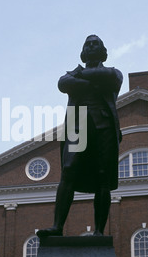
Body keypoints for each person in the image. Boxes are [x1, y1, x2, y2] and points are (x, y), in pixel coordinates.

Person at [37, 35, 123, 237]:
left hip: (104, 126)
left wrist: (81, 77)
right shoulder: (75, 75)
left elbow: (111, 76)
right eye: (88, 44)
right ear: (83, 53)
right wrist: (88, 79)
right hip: (79, 125)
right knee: (68, 170)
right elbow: (63, 83)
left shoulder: (112, 73)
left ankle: (99, 232)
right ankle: (57, 227)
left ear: (103, 51)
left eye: (96, 44)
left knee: (103, 176)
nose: (91, 46)